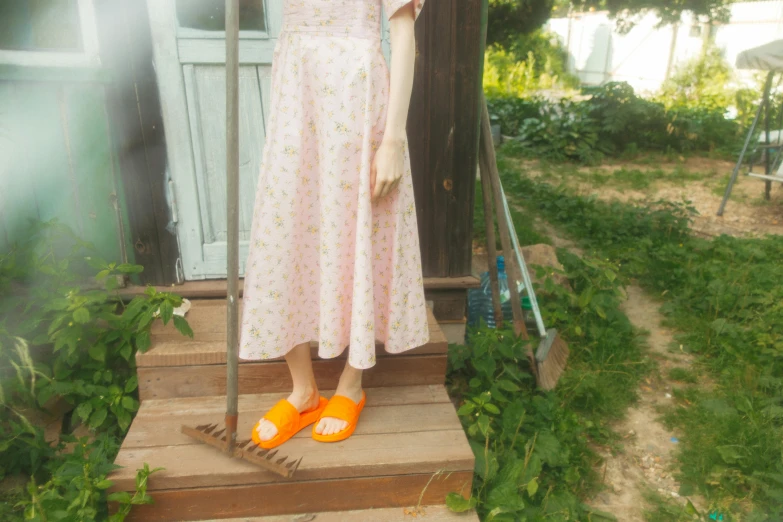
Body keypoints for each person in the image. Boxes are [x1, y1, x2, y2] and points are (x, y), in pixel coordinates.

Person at [238, 0, 427, 449]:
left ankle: (351, 385)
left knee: (360, 229)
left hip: (357, 98)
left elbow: (402, 35)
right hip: (295, 97)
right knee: (286, 232)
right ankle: (303, 390)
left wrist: (394, 138)